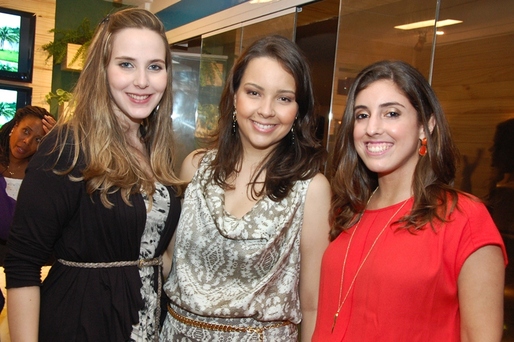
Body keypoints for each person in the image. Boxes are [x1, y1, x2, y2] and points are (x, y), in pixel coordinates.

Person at [4, 8, 182, 342]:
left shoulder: (155, 149)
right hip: (79, 323)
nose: (142, 80)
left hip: (144, 325)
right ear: (101, 69)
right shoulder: (68, 144)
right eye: (126, 64)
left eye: (155, 67)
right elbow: (23, 264)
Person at [312, 60, 506, 341]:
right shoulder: (346, 210)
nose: (372, 128)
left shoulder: (463, 218)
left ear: (425, 126)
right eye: (362, 115)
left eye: (391, 113)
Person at [160, 35, 331, 341]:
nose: (266, 110)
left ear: (298, 110)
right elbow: (169, 262)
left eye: (284, 98)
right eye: (254, 92)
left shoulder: (311, 189)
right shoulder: (196, 168)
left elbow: (313, 304)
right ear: (235, 95)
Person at [0, 105, 55, 238]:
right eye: (25, 131)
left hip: (23, 251)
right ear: (15, 126)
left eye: (38, 139)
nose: (27, 141)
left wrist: (58, 142)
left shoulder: (41, 175)